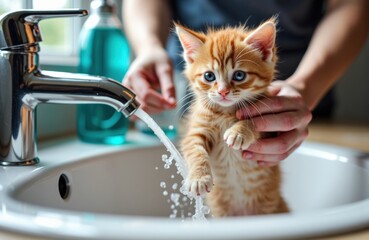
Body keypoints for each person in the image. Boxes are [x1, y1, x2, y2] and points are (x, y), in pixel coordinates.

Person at [122, 0, 369, 166]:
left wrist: (305, 87)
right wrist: (148, 47)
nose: (224, 90)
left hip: (299, 104)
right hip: (200, 110)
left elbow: (350, 4)